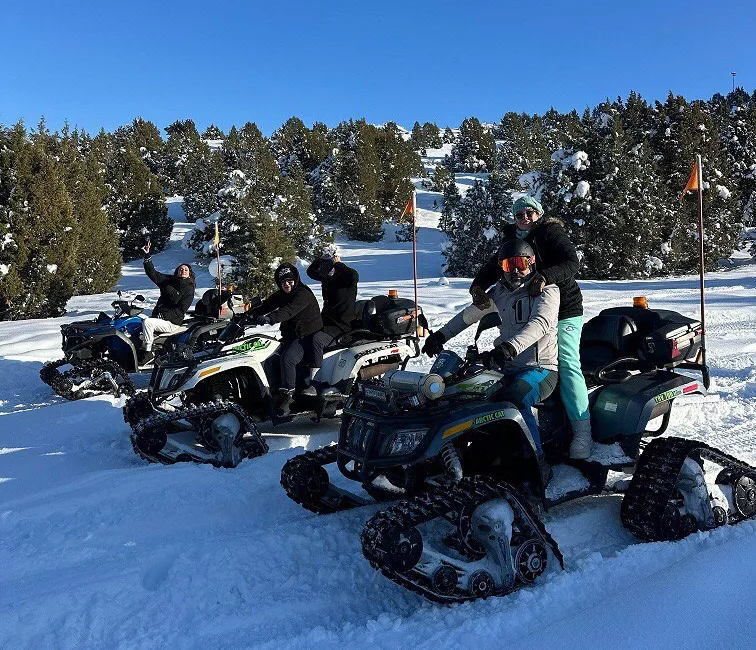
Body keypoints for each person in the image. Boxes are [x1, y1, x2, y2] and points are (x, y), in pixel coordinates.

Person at [469, 196, 592, 459]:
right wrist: (478, 286)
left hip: (564, 308)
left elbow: (572, 262)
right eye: (519, 214)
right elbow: (495, 265)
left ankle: (583, 432)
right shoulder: (511, 238)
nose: (525, 218)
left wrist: (546, 277)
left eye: (530, 212)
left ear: (539, 214)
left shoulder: (550, 232)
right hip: (529, 304)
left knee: (567, 363)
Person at [424, 239, 559, 456]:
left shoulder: (547, 291)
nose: (515, 270)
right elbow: (470, 315)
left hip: (539, 368)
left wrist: (509, 348)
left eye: (520, 264)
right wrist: (441, 335)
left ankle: (536, 459)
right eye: (508, 265)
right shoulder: (500, 292)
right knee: (466, 393)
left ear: (531, 263)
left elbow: (541, 324)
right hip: (506, 366)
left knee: (515, 399)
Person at [249, 263, 326, 415]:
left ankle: (288, 397)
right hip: (291, 336)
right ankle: (268, 393)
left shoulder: (302, 294)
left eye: (289, 280)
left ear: (295, 279)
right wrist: (248, 315)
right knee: (269, 357)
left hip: (306, 337)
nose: (286, 284)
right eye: (283, 281)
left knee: (288, 358)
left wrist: (270, 318)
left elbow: (288, 311)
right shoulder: (281, 295)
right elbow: (267, 305)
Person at [305, 245, 360, 395]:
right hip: (326, 322)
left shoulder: (346, 280)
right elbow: (310, 272)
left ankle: (316, 383)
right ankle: (303, 374)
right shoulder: (328, 278)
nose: (325, 271)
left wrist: (337, 263)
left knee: (317, 340)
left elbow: (354, 275)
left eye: (329, 267)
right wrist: (320, 259)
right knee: (304, 333)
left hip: (343, 326)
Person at [140, 241, 196, 365]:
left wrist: (165, 316)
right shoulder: (169, 280)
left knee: (147, 322)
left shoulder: (189, 288)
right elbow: (152, 274)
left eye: (186, 269)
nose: (183, 270)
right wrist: (147, 256)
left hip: (172, 322)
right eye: (181, 269)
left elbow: (181, 309)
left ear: (189, 273)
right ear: (177, 271)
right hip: (160, 317)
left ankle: (149, 353)